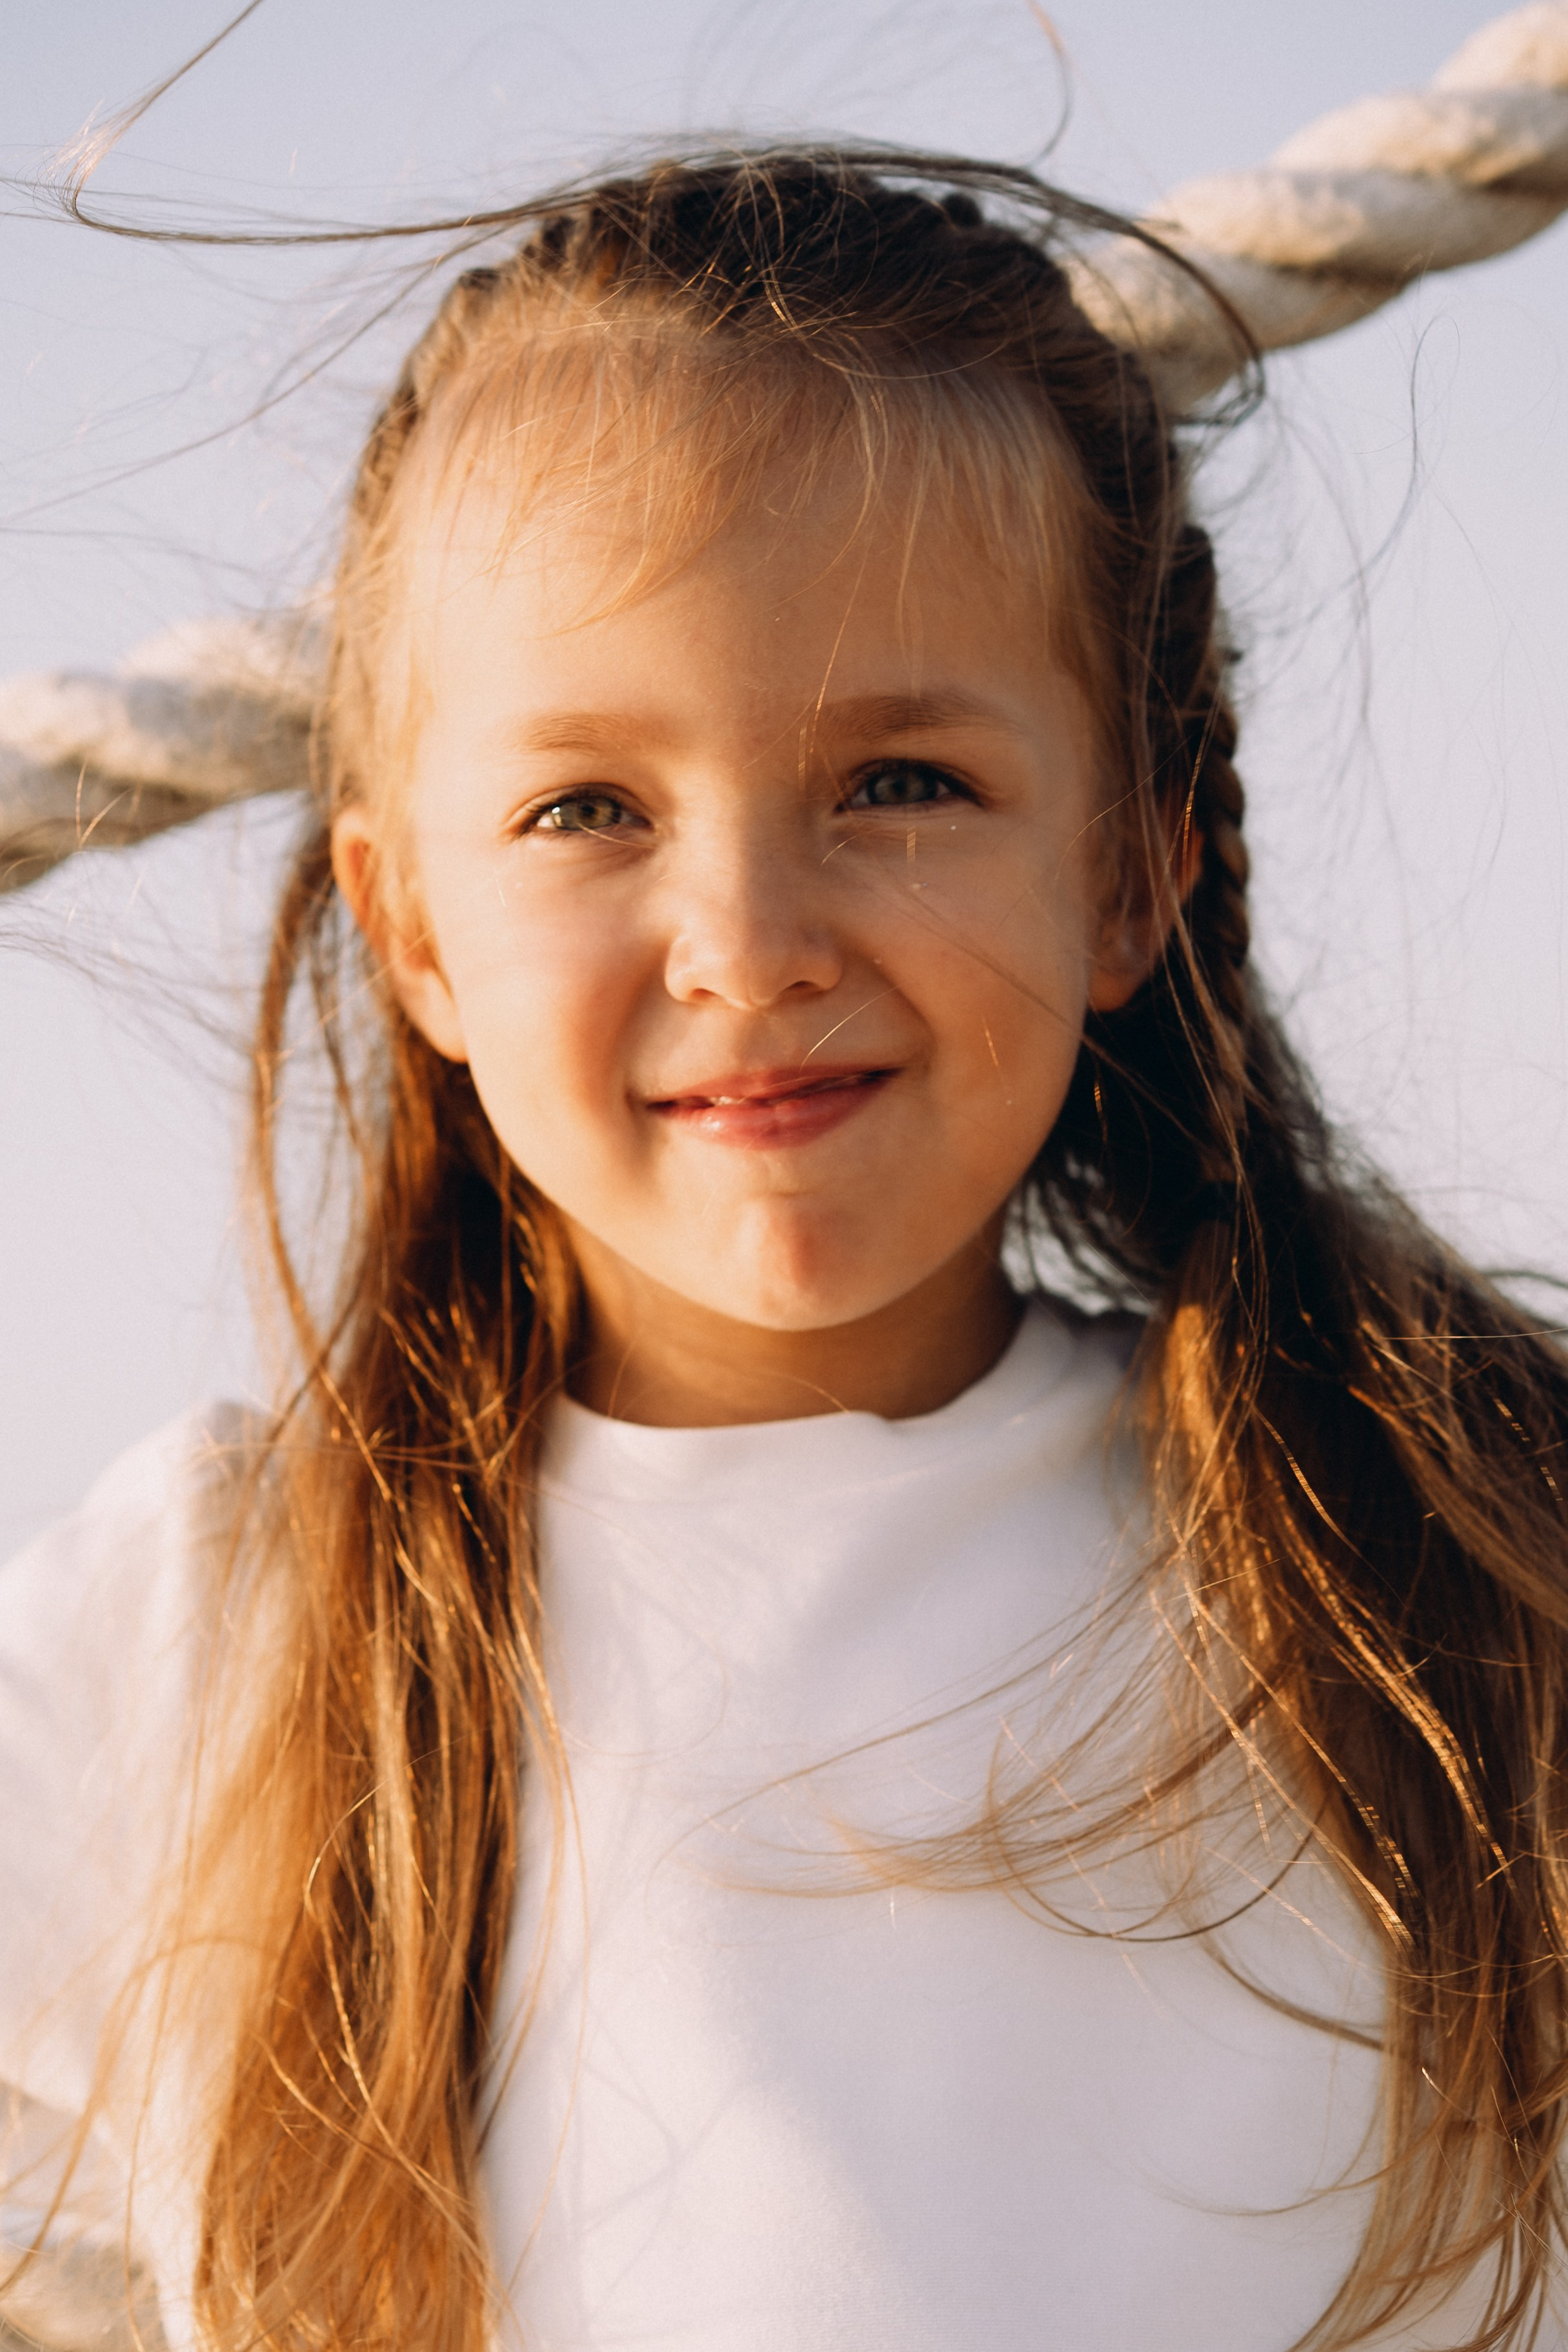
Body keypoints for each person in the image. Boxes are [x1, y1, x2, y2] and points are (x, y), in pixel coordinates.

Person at [2, 150, 1567, 2352]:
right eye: (589, 811)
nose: (746, 946)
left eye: (903, 783)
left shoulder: (1456, 1546)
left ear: (1128, 870)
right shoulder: (224, 1626)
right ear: (414, 926)